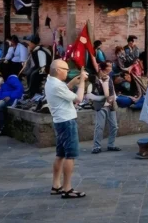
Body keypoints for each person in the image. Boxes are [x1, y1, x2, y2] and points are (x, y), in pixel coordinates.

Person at [44, 59, 87, 198]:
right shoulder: (57, 85)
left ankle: (56, 185)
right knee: (70, 155)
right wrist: (82, 82)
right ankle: (67, 188)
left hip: (59, 121)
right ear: (58, 70)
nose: (67, 72)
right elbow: (79, 99)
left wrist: (73, 83)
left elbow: (63, 91)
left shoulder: (50, 81)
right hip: (67, 121)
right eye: (66, 69)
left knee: (60, 154)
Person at [88, 61, 120, 154]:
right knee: (99, 127)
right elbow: (89, 94)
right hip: (101, 105)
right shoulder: (95, 79)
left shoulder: (109, 78)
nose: (111, 68)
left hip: (110, 105)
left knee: (114, 126)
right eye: (109, 66)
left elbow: (112, 90)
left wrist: (114, 98)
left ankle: (111, 144)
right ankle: (96, 146)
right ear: (104, 68)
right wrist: (103, 97)